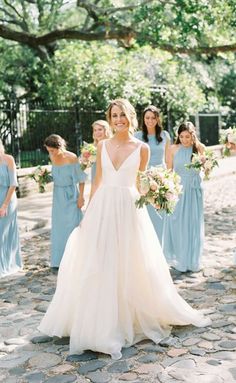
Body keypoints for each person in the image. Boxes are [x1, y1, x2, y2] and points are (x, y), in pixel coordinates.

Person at [39, 100, 211, 360]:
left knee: (129, 261)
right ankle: (97, 318)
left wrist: (158, 190)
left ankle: (126, 315)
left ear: (131, 117)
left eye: (122, 115)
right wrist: (87, 215)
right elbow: (97, 182)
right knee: (99, 261)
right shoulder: (102, 145)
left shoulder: (141, 148)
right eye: (114, 115)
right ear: (110, 119)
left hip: (130, 210)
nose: (118, 119)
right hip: (103, 208)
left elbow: (139, 183)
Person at [163, 121, 205, 272]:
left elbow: (207, 171)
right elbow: (168, 172)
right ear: (178, 136)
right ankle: (179, 258)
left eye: (187, 137)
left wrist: (206, 166)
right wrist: (166, 191)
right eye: (181, 136)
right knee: (177, 223)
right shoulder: (173, 149)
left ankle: (192, 260)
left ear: (193, 135)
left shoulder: (200, 148)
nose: (185, 140)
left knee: (192, 224)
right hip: (178, 190)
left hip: (194, 190)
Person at [44, 134, 86, 268]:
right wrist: (44, 178)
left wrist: (81, 197)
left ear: (60, 147)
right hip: (58, 196)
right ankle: (59, 261)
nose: (50, 153)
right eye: (48, 150)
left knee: (73, 226)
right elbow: (56, 176)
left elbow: (81, 179)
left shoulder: (72, 157)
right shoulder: (52, 157)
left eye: (52, 150)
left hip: (71, 195)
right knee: (59, 228)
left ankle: (76, 259)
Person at [135, 106, 170, 244]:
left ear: (158, 119)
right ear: (143, 119)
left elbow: (168, 160)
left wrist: (169, 182)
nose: (150, 120)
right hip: (143, 178)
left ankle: (159, 252)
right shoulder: (137, 136)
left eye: (153, 118)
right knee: (143, 217)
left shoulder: (165, 135)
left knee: (159, 215)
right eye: (147, 117)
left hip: (160, 180)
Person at [0, 139, 21, 277]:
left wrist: (4, 205)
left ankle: (8, 263)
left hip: (7, 198)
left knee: (4, 233)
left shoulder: (8, 159)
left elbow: (13, 184)